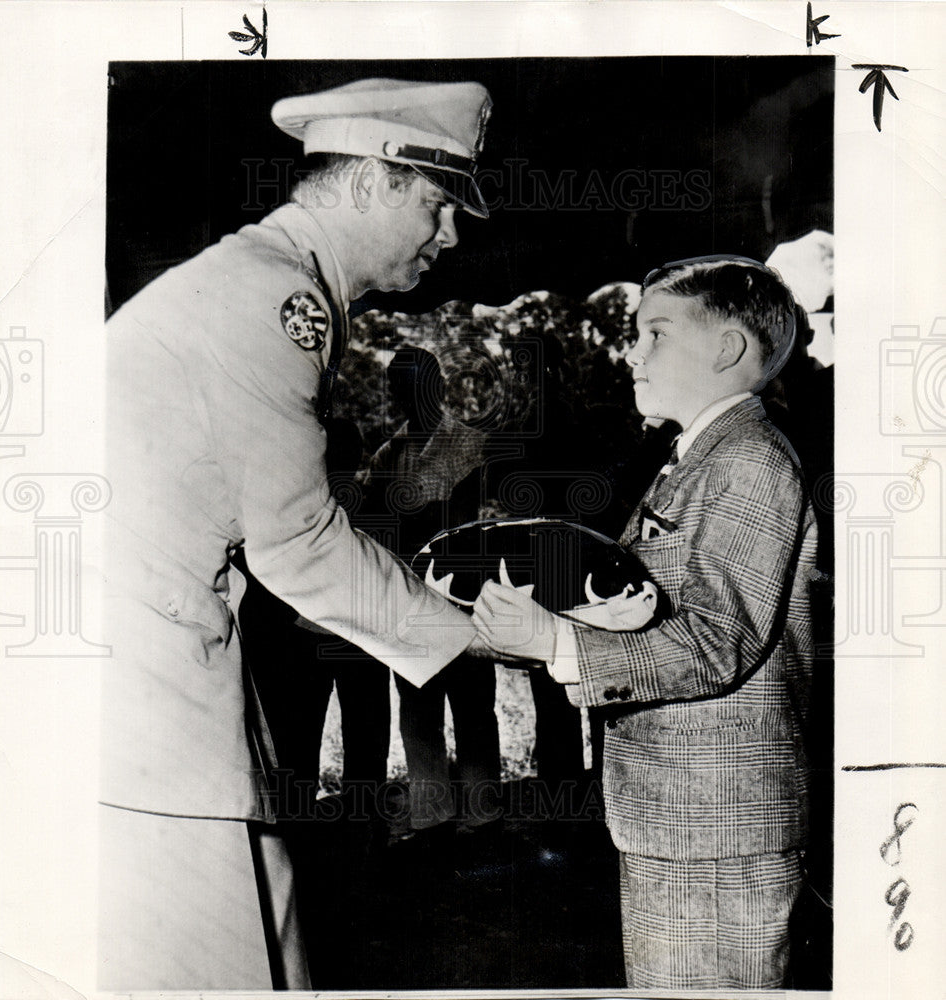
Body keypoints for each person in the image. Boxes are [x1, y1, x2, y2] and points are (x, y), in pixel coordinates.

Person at [100, 77, 493, 991]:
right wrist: (477, 633)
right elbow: (299, 542)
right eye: (437, 205)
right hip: (146, 698)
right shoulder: (273, 301)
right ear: (369, 183)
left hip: (169, 666)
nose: (452, 235)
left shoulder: (262, 281)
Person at [472, 255, 817, 990]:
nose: (633, 352)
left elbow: (719, 640)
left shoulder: (749, 461)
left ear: (726, 349)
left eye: (655, 333)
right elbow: (652, 603)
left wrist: (556, 642)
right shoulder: (690, 457)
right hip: (684, 816)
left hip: (716, 825)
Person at [359, 347, 501, 848]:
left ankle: (484, 818)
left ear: (438, 387)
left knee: (473, 706)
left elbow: (464, 521)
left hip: (461, 596)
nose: (406, 395)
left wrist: (408, 522)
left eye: (416, 383)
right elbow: (376, 525)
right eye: (398, 386)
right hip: (408, 598)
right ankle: (432, 819)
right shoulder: (388, 454)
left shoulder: (469, 443)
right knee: (418, 709)